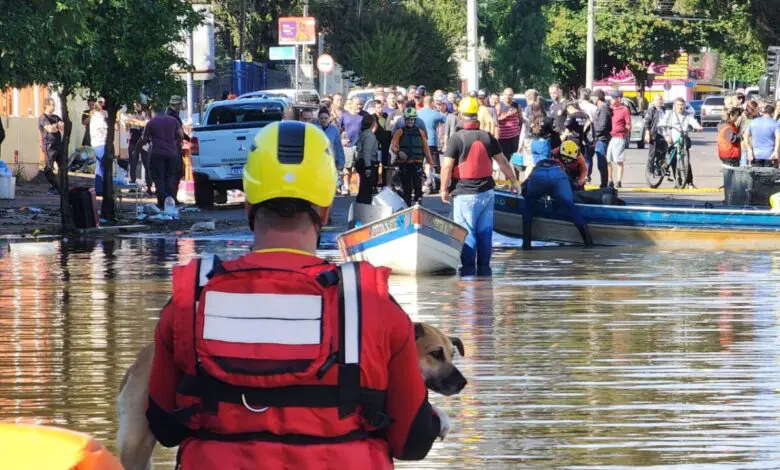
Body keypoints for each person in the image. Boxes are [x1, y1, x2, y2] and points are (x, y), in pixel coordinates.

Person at [145, 121, 447, 470]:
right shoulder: (373, 304)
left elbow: (165, 426)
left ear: (248, 205)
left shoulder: (191, 300)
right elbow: (411, 441)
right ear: (324, 209)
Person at [440, 96, 520, 276]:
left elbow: (446, 166)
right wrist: (514, 182)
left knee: (467, 233)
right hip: (487, 193)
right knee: (485, 233)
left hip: (465, 193)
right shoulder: (488, 137)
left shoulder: (456, 139)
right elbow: (503, 162)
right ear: (476, 115)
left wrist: (443, 189)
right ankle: (485, 272)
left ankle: (468, 275)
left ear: (460, 114)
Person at [521, 139, 593, 251]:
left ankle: (526, 245)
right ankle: (589, 243)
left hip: (538, 174)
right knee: (570, 206)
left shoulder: (577, 156)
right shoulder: (557, 157)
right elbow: (569, 182)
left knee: (528, 208)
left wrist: (528, 195)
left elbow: (525, 186)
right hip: (558, 175)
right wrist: (573, 187)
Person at [134, 104, 184, 209]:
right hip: (172, 154)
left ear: (154, 112)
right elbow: (181, 135)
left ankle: (161, 203)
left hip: (157, 153)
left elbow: (144, 138)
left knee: (158, 178)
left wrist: (137, 150)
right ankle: (170, 202)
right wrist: (176, 144)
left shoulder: (151, 122)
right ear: (164, 110)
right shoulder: (173, 121)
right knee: (169, 177)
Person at [390, 107, 433, 206]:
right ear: (405, 120)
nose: (410, 121)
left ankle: (418, 205)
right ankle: (407, 206)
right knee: (407, 188)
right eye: (408, 119)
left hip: (417, 164)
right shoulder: (399, 132)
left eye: (412, 119)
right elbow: (394, 146)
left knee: (418, 186)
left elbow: (426, 148)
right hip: (404, 165)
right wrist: (399, 152)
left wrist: (431, 163)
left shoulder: (420, 132)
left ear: (415, 120)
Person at [658, 97, 703, 185]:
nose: (680, 107)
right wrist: (666, 135)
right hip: (671, 139)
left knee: (686, 161)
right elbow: (661, 125)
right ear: (675, 106)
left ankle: (690, 183)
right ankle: (677, 181)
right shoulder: (669, 114)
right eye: (678, 105)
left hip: (683, 140)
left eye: (682, 105)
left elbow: (692, 121)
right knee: (673, 161)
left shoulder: (687, 115)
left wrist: (698, 126)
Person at [417, 96, 447, 192]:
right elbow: (446, 119)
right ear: (432, 103)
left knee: (420, 163)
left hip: (419, 142)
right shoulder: (435, 114)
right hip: (431, 142)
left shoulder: (417, 113)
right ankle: (429, 183)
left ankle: (421, 184)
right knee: (431, 164)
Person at [337, 97, 365, 196]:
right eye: (357, 104)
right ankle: (346, 187)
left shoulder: (364, 115)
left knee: (361, 167)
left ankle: (362, 188)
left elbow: (371, 127)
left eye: (361, 104)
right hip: (348, 146)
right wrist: (341, 140)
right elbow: (337, 129)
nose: (359, 106)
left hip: (360, 145)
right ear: (351, 104)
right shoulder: (344, 116)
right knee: (347, 168)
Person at [38, 97, 65, 195]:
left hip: (59, 145)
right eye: (52, 104)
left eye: (54, 104)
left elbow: (63, 127)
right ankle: (55, 186)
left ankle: (60, 187)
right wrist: (57, 126)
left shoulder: (56, 117)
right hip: (49, 145)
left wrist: (56, 126)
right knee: (48, 169)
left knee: (63, 167)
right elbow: (50, 129)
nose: (54, 106)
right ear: (46, 105)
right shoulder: (43, 117)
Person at [606, 91, 630, 188]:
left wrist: (625, 134)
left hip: (619, 138)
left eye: (613, 98)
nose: (611, 100)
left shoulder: (624, 109)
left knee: (618, 160)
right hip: (609, 137)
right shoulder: (609, 109)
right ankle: (610, 180)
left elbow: (628, 124)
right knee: (608, 159)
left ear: (618, 99)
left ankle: (619, 181)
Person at [126, 102, 152, 194]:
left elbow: (149, 125)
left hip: (144, 142)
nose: (137, 105)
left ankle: (149, 187)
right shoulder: (130, 114)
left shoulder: (146, 113)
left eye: (138, 103)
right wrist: (129, 122)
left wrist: (143, 120)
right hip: (133, 141)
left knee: (147, 165)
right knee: (133, 164)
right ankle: (132, 185)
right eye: (135, 103)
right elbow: (127, 128)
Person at [355, 114, 380, 204]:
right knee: (366, 187)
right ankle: (364, 206)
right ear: (373, 124)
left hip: (361, 162)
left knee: (363, 186)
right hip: (367, 163)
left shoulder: (363, 134)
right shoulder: (370, 135)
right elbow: (367, 151)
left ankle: (360, 204)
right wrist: (368, 167)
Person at [317, 107, 346, 184]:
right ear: (318, 118)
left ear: (329, 118)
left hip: (330, 161)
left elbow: (338, 147)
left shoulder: (334, 129)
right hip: (317, 161)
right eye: (321, 118)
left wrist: (340, 163)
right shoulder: (314, 128)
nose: (324, 120)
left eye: (326, 118)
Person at [578, 88, 598, 184]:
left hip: (578, 133)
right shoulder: (594, 107)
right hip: (590, 134)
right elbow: (596, 121)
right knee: (589, 156)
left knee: (579, 155)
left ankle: (580, 174)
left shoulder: (578, 106)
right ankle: (587, 175)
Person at [592, 90, 611, 188]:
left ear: (597, 97)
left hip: (602, 139)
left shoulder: (603, 108)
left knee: (602, 163)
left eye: (593, 97)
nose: (592, 99)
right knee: (601, 163)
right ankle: (603, 183)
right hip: (600, 138)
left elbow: (602, 125)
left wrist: (595, 134)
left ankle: (604, 184)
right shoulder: (601, 108)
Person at [644, 95, 666, 176]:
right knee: (652, 152)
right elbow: (647, 121)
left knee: (663, 151)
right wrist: (647, 133)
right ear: (654, 101)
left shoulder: (664, 110)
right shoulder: (652, 110)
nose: (659, 101)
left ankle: (659, 168)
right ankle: (650, 168)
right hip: (654, 134)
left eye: (660, 99)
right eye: (657, 100)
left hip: (663, 134)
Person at [90, 98, 109, 195]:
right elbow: (105, 128)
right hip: (100, 143)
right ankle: (105, 189)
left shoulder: (94, 116)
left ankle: (99, 189)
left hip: (96, 143)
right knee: (105, 166)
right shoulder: (99, 116)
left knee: (99, 166)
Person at [496, 88, 522, 160]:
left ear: (513, 95)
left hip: (514, 137)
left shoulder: (516, 105)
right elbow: (496, 120)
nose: (508, 96)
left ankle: (514, 171)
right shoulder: (499, 105)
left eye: (510, 95)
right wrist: (507, 114)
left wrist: (519, 131)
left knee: (514, 157)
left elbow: (521, 119)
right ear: (503, 95)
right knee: (504, 158)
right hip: (503, 138)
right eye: (506, 94)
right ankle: (503, 171)